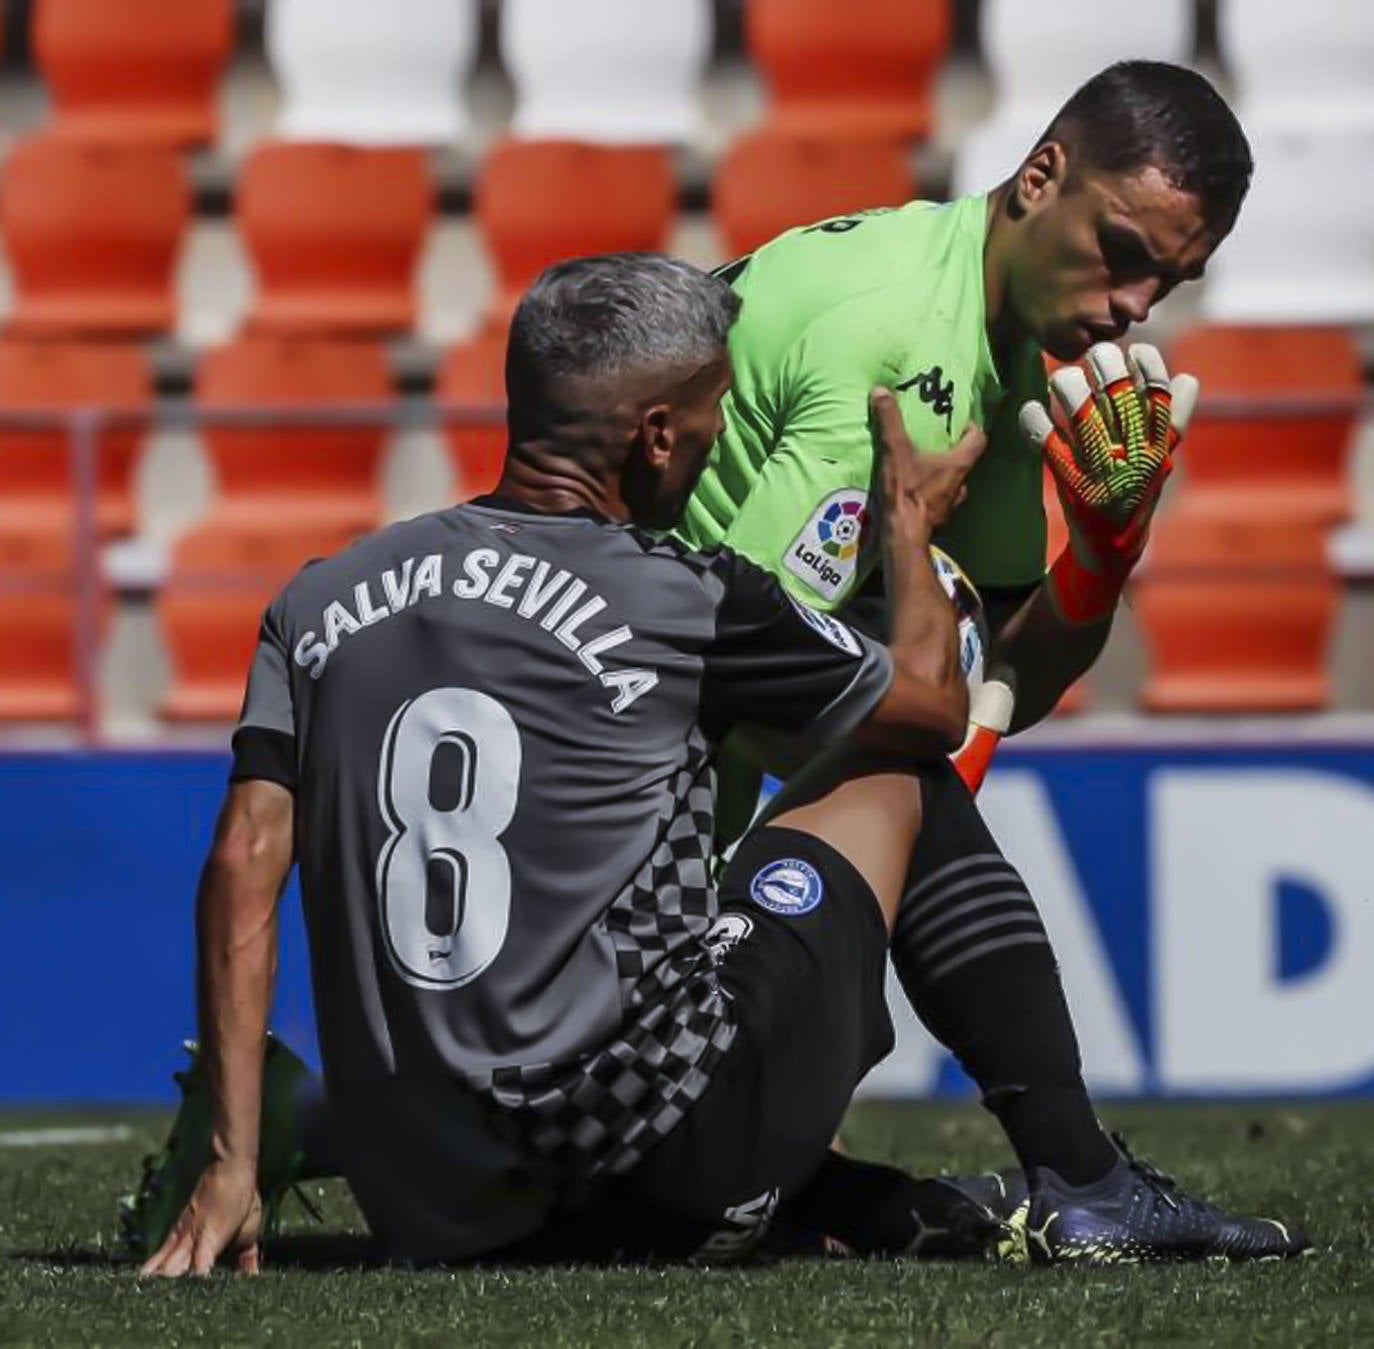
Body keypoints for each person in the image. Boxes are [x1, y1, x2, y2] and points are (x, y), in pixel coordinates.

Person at [130, 251, 1008, 1275]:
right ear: (658, 433)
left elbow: (244, 858)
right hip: (656, 1188)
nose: (721, 433)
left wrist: (233, 1160)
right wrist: (907, 526)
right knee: (896, 777)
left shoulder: (319, 598)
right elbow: (933, 705)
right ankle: (1079, 1175)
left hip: (429, 1209)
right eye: (716, 409)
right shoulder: (686, 593)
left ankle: (286, 1130)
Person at [673, 61, 1313, 1260]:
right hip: (606, 779)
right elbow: (741, 666)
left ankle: (1020, 1173)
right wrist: (897, 768)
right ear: (1040, 178)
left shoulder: (1003, 337)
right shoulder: (898, 345)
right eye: (1121, 250)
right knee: (893, 753)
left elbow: (995, 692)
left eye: (1169, 282)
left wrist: (1106, 554)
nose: (1134, 305)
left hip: (647, 762)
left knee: (899, 742)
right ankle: (1079, 1173)